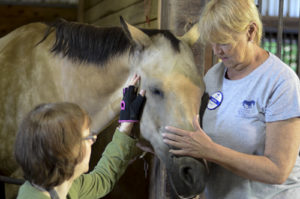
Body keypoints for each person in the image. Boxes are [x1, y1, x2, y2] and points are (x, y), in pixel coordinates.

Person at [162, 0, 300, 198]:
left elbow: (278, 171)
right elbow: (199, 140)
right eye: (213, 42)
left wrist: (210, 151)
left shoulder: (281, 82)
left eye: (224, 42)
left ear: (250, 31)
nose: (217, 51)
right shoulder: (213, 76)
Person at [14, 74, 146, 199]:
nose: (93, 140)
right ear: (68, 154)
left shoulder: (61, 183)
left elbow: (102, 180)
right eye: (88, 138)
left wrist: (126, 124)